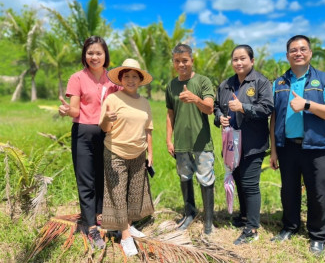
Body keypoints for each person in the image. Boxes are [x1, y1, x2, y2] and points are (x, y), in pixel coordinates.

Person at [269, 35, 325, 256]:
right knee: (288, 191)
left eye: (302, 49)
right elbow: (272, 118)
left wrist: (307, 104)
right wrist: (273, 150)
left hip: (316, 147)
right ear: (287, 55)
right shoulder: (279, 83)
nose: (298, 53)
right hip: (287, 147)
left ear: (310, 53)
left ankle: (318, 236)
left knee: (318, 193)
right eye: (293, 50)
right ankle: (290, 226)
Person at [58, 36, 119, 249]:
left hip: (108, 133)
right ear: (85, 55)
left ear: (105, 56)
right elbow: (75, 109)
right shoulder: (77, 78)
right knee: (86, 179)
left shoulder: (113, 79)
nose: (94, 57)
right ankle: (91, 227)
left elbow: (122, 103)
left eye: (98, 53)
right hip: (83, 132)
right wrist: (67, 111)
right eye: (90, 52)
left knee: (103, 177)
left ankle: (101, 216)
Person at [214, 45, 273, 245]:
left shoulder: (261, 82)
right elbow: (216, 107)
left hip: (252, 144)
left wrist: (243, 108)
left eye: (243, 59)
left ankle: (252, 229)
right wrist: (220, 117)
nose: (238, 63)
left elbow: (267, 108)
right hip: (231, 144)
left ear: (252, 60)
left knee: (250, 184)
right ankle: (244, 216)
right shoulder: (226, 85)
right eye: (235, 59)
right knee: (238, 180)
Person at [99, 58, 154, 257]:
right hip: (116, 153)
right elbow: (105, 128)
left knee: (134, 193)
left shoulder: (145, 103)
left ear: (140, 80)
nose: (131, 80)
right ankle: (125, 236)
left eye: (134, 77)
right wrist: (107, 118)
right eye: (127, 76)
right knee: (118, 194)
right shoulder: (113, 99)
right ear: (121, 79)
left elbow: (148, 130)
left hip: (139, 154)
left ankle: (128, 226)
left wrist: (151, 154)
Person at [165, 43, 215, 235]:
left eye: (185, 60)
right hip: (181, 143)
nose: (181, 64)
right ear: (173, 63)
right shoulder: (171, 85)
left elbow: (209, 108)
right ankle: (189, 213)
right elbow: (170, 115)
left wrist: (196, 99)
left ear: (192, 61)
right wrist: (169, 140)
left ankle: (209, 221)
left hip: (201, 142)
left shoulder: (203, 82)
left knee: (206, 178)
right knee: (185, 177)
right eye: (177, 61)